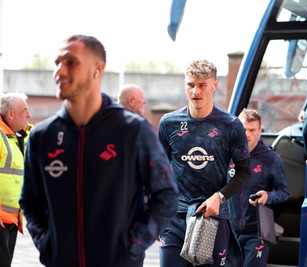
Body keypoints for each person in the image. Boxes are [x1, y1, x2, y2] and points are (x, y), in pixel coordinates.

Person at [19, 34, 178, 267]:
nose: (59, 71)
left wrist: (130, 247)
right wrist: (47, 246)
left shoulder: (132, 130)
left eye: (70, 62)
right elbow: (30, 201)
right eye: (57, 63)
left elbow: (167, 195)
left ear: (97, 69)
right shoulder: (43, 137)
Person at [158, 59, 251, 267]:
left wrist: (219, 197)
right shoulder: (168, 123)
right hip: (175, 218)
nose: (195, 92)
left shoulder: (231, 125)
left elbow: (244, 172)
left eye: (202, 85)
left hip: (212, 218)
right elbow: (158, 173)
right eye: (191, 85)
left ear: (214, 85)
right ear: (185, 84)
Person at [228, 108, 289, 267]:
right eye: (243, 129)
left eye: (252, 130)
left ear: (260, 131)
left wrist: (268, 196)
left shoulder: (271, 159)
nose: (247, 134)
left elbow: (284, 192)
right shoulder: (227, 154)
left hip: (257, 233)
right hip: (229, 231)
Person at [0, 92, 31, 267]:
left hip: (11, 219)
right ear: (11, 114)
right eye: (25, 110)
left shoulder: (18, 136)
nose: (29, 115)